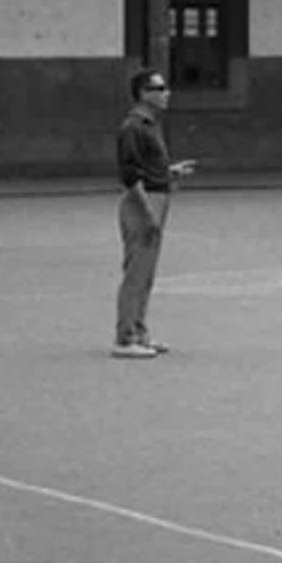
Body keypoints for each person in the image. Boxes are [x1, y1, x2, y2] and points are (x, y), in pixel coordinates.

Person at [112, 68, 193, 359]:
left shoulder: (149, 125)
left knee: (146, 274)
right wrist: (147, 213)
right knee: (136, 272)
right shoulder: (133, 127)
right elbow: (129, 174)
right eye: (159, 89)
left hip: (156, 196)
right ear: (143, 94)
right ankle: (126, 337)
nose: (166, 93)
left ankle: (140, 330)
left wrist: (170, 172)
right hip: (143, 202)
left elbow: (147, 167)